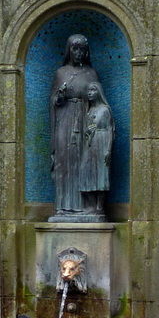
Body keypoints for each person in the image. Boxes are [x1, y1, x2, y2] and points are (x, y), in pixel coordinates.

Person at [49, 34, 111, 220]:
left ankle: (89, 206)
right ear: (69, 50)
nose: (79, 53)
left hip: (86, 120)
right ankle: (63, 206)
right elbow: (53, 101)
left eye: (82, 49)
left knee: (86, 161)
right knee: (64, 161)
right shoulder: (61, 73)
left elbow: (98, 98)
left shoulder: (92, 73)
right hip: (64, 120)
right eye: (75, 49)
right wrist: (59, 96)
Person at [80, 82, 114, 217]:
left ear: (98, 92)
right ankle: (91, 206)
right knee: (86, 172)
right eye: (88, 90)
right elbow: (85, 130)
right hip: (90, 145)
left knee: (101, 175)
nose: (90, 92)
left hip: (102, 143)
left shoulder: (105, 110)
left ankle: (99, 208)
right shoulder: (89, 110)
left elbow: (110, 130)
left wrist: (109, 150)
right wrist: (86, 131)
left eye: (93, 90)